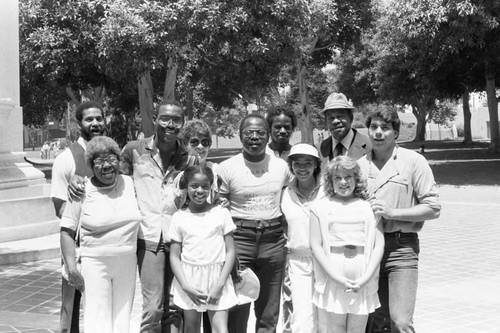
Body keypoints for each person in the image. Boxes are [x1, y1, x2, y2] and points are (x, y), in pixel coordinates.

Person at [359, 108, 441, 333]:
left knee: (401, 322)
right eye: (373, 127)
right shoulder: (358, 166)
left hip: (401, 248)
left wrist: (393, 213)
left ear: (395, 133)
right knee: (374, 321)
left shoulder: (414, 162)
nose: (378, 133)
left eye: (385, 128)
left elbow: (433, 208)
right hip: (366, 250)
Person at [121, 99, 198, 333]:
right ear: (156, 119)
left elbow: (200, 191)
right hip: (148, 237)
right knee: (153, 307)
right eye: (165, 118)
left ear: (183, 123)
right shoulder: (133, 150)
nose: (170, 124)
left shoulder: (191, 158)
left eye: (176, 119)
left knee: (174, 306)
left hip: (179, 240)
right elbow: (116, 185)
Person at [218, 113, 293, 333]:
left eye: (260, 133)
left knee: (269, 311)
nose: (254, 137)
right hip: (240, 239)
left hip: (273, 239)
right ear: (240, 136)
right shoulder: (226, 167)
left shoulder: (281, 167)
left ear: (268, 136)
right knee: (238, 306)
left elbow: (291, 202)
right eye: (248, 133)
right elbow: (219, 210)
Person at [60, 136, 141, 333]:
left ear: (119, 160)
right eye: (99, 161)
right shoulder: (81, 190)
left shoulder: (130, 183)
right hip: (95, 264)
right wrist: (71, 269)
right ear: (90, 165)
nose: (107, 166)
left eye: (111, 159)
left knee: (124, 320)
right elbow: (66, 231)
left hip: (127, 262)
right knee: (98, 320)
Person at [309, 156, 385, 333]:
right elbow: (315, 245)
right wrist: (335, 277)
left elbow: (378, 245)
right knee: (336, 327)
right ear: (330, 181)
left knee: (357, 328)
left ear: (356, 179)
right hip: (333, 276)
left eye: (348, 177)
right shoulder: (319, 208)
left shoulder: (368, 208)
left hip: (362, 276)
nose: (343, 182)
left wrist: (366, 278)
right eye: (337, 177)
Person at [51, 100, 106, 333]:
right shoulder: (66, 158)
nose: (95, 123)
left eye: (99, 118)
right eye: (89, 119)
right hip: (77, 244)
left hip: (105, 245)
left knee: (102, 303)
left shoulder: (110, 153)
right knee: (71, 305)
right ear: (79, 124)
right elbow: (59, 207)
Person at [169, 166, 237, 333]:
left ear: (211, 187)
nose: (199, 191)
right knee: (191, 328)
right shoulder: (179, 217)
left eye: (205, 186)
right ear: (186, 186)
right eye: (194, 186)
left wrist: (219, 285)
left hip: (217, 278)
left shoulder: (221, 213)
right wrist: (185, 286)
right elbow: (174, 255)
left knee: (220, 328)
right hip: (190, 280)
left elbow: (230, 251)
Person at [280, 143, 325, 333]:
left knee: (327, 317)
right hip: (298, 262)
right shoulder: (284, 194)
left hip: (327, 261)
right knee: (302, 320)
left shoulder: (328, 191)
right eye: (297, 163)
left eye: (308, 163)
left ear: (316, 165)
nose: (302, 168)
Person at [318, 93, 371, 166]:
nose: (335, 121)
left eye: (340, 116)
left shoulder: (369, 146)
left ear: (351, 118)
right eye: (331, 117)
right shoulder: (319, 150)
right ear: (325, 121)